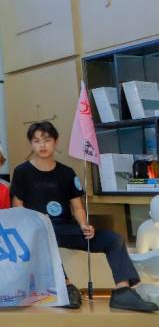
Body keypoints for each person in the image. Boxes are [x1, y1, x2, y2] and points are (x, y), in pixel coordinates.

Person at [11, 121, 157, 312]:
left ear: (56, 142)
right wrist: (30, 227)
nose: (42, 145)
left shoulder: (66, 173)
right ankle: (66, 287)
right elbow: (17, 206)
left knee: (113, 239)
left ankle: (123, 291)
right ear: (31, 144)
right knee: (44, 234)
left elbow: (77, 207)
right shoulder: (22, 172)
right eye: (36, 141)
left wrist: (84, 225)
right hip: (38, 231)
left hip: (65, 228)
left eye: (46, 140)